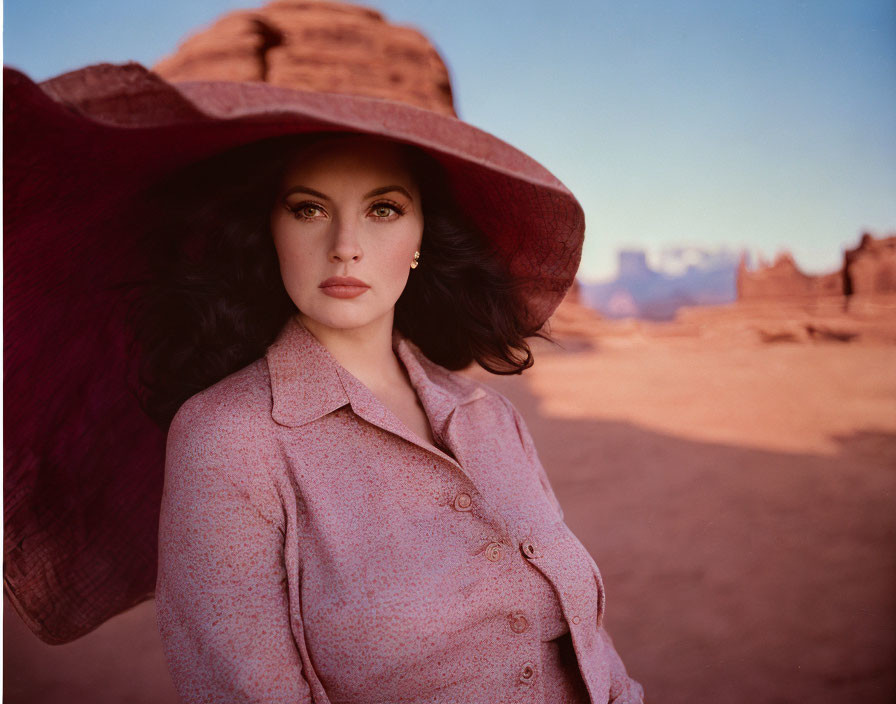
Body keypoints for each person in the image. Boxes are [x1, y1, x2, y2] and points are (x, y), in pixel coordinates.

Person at [3, 33, 645, 704]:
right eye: (308, 209)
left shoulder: (490, 418)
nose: (345, 247)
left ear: (422, 238)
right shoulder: (229, 437)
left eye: (383, 210)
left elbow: (595, 658)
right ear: (268, 231)